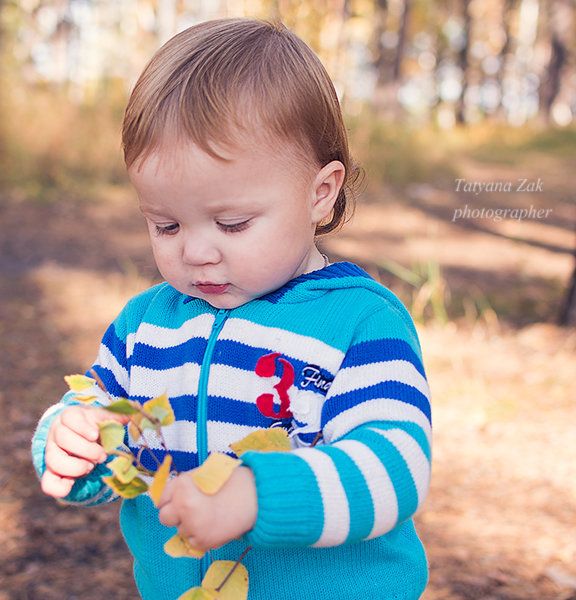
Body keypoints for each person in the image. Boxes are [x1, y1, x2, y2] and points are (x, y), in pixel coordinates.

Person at [30, 17, 431, 600]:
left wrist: (261, 495)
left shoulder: (359, 325)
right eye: (165, 225)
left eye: (232, 223)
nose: (195, 252)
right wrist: (73, 443)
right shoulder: (146, 328)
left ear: (320, 193)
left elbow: (395, 467)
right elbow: (104, 421)